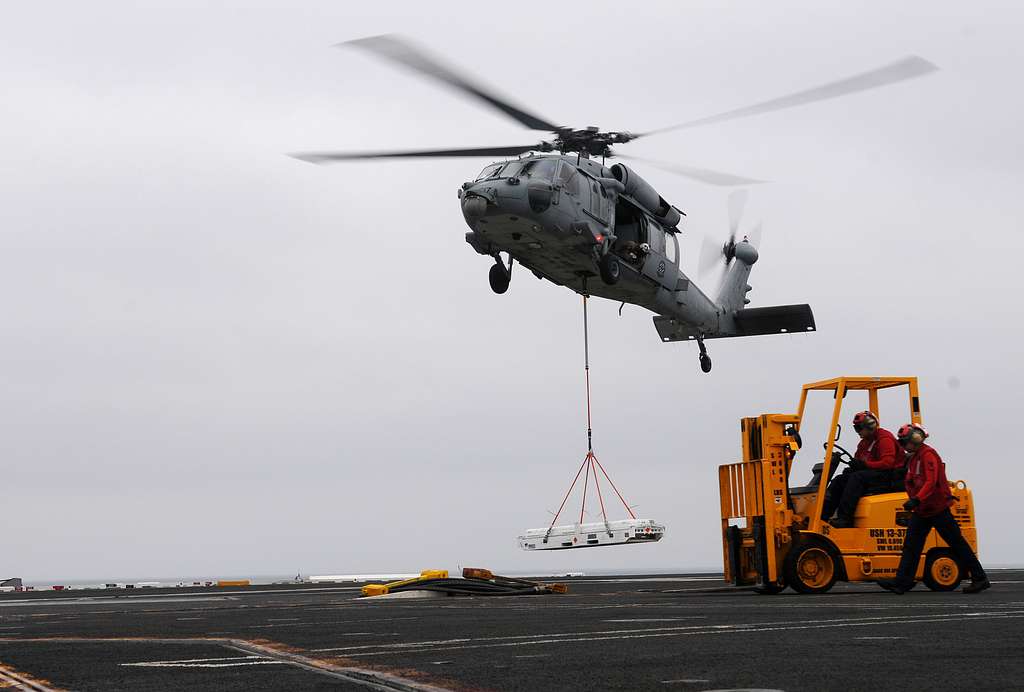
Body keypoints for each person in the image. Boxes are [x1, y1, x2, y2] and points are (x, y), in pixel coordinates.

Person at [878, 424, 990, 594]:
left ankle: (979, 578)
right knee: (911, 545)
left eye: (904, 442)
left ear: (914, 439)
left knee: (956, 543)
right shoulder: (914, 458)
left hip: (937, 509)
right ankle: (902, 582)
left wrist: (916, 499)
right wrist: (913, 498)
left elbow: (931, 482)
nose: (903, 446)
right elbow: (911, 480)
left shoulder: (928, 455)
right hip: (923, 510)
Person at [821, 411, 903, 527]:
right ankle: (823, 515)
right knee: (840, 479)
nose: (858, 431)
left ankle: (845, 518)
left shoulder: (885, 439)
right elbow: (858, 460)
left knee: (857, 478)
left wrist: (865, 465)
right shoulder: (864, 443)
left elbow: (887, 463)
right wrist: (853, 467)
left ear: (870, 426)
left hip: (888, 476)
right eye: (856, 428)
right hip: (872, 474)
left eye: (859, 428)